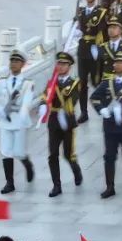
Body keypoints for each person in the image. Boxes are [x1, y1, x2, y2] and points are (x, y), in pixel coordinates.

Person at [90, 49, 122, 199]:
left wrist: (121, 108)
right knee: (109, 156)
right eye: (116, 62)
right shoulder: (107, 82)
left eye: (121, 62)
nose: (118, 64)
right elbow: (94, 97)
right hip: (110, 125)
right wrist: (101, 109)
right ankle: (110, 186)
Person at [37, 52, 83, 196]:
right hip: (54, 121)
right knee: (53, 155)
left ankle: (76, 170)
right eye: (59, 64)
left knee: (68, 154)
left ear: (69, 66)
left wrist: (64, 113)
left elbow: (73, 100)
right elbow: (45, 95)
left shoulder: (75, 82)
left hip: (67, 121)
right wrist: (42, 104)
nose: (61, 66)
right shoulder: (52, 82)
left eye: (64, 64)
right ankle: (56, 185)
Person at [0, 50, 36, 194]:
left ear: (22, 64)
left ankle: (27, 164)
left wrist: (23, 114)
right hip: (6, 120)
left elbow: (27, 101)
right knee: (6, 152)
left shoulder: (27, 83)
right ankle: (9, 183)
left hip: (19, 121)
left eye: (17, 61)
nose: (14, 64)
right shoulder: (3, 82)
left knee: (18, 152)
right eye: (12, 61)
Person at [71, 0, 110, 124]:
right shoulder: (81, 12)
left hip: (95, 50)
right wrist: (76, 29)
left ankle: (103, 106)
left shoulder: (101, 13)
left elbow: (104, 33)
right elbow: (76, 28)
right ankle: (84, 112)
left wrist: (100, 50)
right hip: (83, 51)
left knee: (96, 81)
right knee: (82, 83)